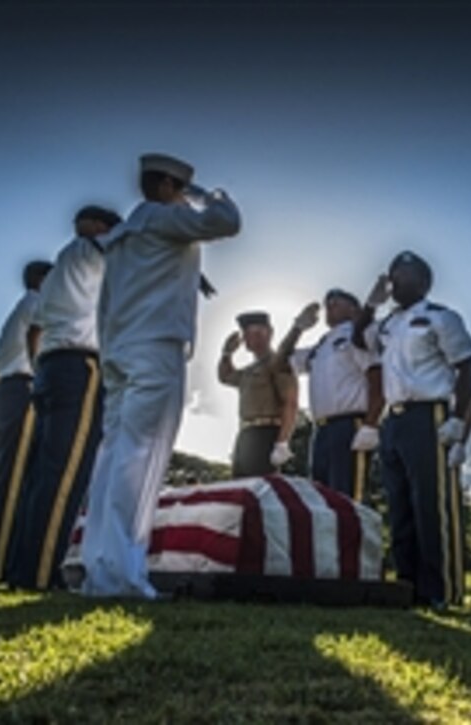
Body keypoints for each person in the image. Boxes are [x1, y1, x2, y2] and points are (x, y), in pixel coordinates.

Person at [79, 153, 241, 598]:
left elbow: (106, 304)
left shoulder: (124, 233)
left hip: (119, 351)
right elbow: (228, 220)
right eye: (182, 190)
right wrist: (202, 193)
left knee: (112, 458)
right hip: (155, 349)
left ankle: (98, 566)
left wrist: (110, 353)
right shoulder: (162, 218)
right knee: (142, 459)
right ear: (170, 187)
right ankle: (124, 577)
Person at [6, 205, 120, 591]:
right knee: (67, 471)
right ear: (102, 228)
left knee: (41, 475)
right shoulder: (92, 250)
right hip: (78, 365)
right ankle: (42, 574)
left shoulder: (59, 269)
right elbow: (133, 244)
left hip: (52, 366)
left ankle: (22, 569)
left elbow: (36, 330)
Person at [359, 251, 471, 609]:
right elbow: (357, 340)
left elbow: (468, 367)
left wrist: (458, 420)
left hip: (429, 415)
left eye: (404, 275)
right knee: (400, 507)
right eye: (393, 274)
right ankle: (408, 587)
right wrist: (370, 304)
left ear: (424, 282)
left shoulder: (441, 318)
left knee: (432, 505)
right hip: (393, 419)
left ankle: (442, 590)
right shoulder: (388, 324)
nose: (395, 281)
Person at [0, 259, 53, 583]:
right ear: (42, 280)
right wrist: (40, 373)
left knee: (0, 478)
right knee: (16, 479)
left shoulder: (16, 311)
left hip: (4, 390)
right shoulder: (38, 303)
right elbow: (37, 332)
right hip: (24, 386)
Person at [278, 290, 383, 500]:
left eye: (337, 302)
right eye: (328, 303)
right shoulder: (321, 345)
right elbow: (282, 361)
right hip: (322, 429)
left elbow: (377, 379)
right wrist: (297, 328)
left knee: (349, 498)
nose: (330, 305)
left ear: (354, 309)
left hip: (350, 425)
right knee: (322, 499)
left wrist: (371, 424)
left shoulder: (358, 336)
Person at [219, 312, 299, 477]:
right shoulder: (249, 370)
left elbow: (289, 402)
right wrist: (226, 354)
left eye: (255, 333)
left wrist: (282, 441)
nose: (249, 338)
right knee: (241, 490)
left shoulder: (278, 362)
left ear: (269, 333)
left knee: (260, 492)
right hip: (245, 435)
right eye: (246, 334)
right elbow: (225, 377)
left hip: (267, 434)